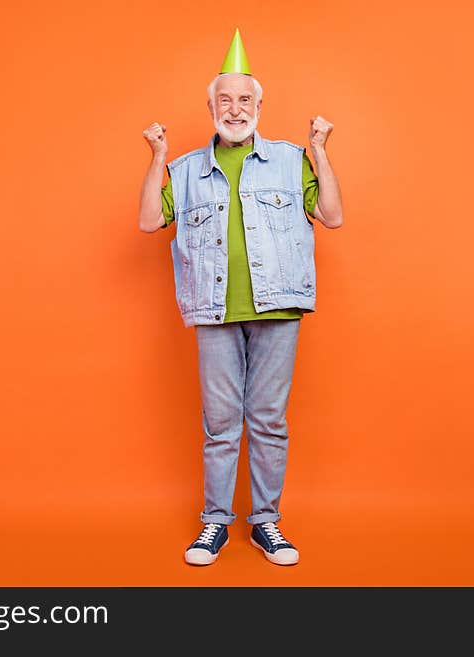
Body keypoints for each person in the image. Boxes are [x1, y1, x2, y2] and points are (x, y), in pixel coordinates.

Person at [138, 28, 344, 566]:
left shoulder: (290, 158)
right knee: (221, 422)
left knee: (269, 418)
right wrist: (157, 155)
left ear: (259, 105)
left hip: (279, 306)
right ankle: (215, 523)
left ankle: (266, 523)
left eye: (245, 99)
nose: (235, 109)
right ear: (209, 106)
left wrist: (320, 151)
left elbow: (333, 215)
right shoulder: (182, 170)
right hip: (214, 309)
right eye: (224, 100)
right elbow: (147, 220)